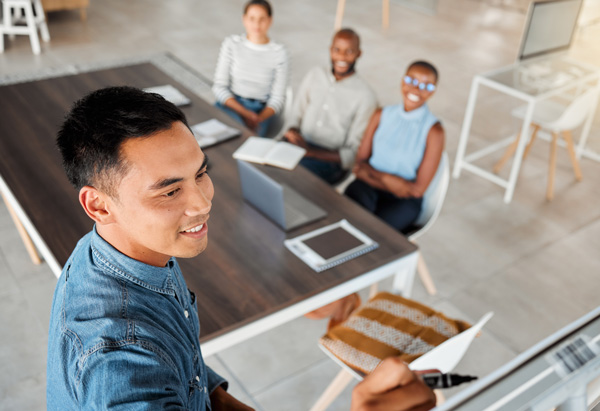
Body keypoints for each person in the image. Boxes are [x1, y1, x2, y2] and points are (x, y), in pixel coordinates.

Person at [47, 86, 435, 410]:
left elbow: (191, 377)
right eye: (169, 191)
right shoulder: (121, 359)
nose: (202, 203)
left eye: (201, 173)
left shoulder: (123, 250)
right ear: (98, 205)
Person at [345, 61, 444, 234]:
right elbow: (358, 165)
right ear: (402, 81)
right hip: (367, 185)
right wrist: (390, 181)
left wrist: (372, 173)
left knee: (376, 235)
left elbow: (416, 190)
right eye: (411, 80)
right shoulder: (380, 115)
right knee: (347, 222)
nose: (416, 89)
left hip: (402, 200)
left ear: (433, 91)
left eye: (426, 85)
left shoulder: (434, 131)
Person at [283, 28, 377, 185]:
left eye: (349, 51)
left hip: (328, 161)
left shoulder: (366, 96)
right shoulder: (315, 74)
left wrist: (310, 152)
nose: (341, 56)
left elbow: (353, 154)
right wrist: (292, 131)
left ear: (359, 54)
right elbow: (295, 116)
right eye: (337, 50)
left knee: (291, 179)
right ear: (330, 50)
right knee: (260, 166)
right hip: (298, 145)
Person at [213, 0, 288, 137]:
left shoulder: (279, 52)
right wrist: (245, 114)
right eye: (252, 18)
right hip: (232, 105)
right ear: (244, 19)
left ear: (270, 20)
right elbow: (219, 87)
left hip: (261, 112)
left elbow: (278, 98)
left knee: (243, 140)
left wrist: (257, 118)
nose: (257, 24)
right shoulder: (231, 44)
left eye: (262, 19)